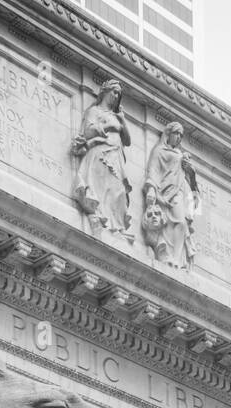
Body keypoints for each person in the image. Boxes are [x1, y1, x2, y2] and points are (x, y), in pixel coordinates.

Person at [72, 79, 133, 237]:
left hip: (116, 157)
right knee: (101, 187)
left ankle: (116, 227)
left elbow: (127, 140)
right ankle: (98, 217)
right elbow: (87, 131)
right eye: (114, 92)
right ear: (105, 92)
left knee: (118, 191)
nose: (116, 96)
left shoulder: (117, 116)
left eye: (118, 94)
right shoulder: (95, 111)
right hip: (100, 154)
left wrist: (122, 120)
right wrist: (108, 126)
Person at [142, 121, 199, 268]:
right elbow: (153, 170)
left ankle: (177, 259)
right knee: (167, 224)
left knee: (180, 222)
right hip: (164, 191)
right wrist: (151, 189)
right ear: (168, 134)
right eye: (176, 134)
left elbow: (190, 181)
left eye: (181, 135)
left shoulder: (180, 154)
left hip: (179, 192)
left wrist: (190, 170)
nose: (179, 137)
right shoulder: (159, 150)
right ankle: (166, 254)